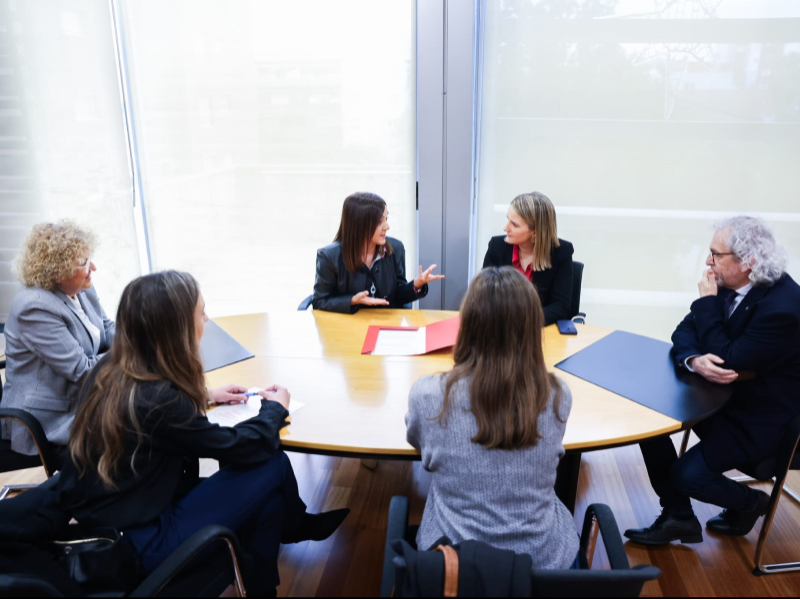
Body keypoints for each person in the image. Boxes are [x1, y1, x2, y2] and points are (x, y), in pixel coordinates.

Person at [56, 271, 349, 595]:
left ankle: (264, 586)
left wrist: (207, 395)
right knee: (272, 463)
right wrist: (275, 408)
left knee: (269, 502)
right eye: (201, 312)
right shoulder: (160, 399)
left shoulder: (112, 366)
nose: (207, 320)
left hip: (122, 514)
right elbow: (237, 447)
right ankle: (296, 527)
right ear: (177, 328)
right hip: (146, 541)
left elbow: (153, 417)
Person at [625, 216, 800, 545]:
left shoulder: (784, 307)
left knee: (687, 474)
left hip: (762, 419)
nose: (708, 261)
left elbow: (729, 359)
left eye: (715, 254)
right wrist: (694, 360)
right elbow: (684, 330)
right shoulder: (732, 282)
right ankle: (679, 517)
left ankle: (751, 503)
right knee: (648, 420)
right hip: (721, 397)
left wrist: (706, 303)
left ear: (747, 261)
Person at [405, 266, 579, 570]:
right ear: (531, 328)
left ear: (468, 324)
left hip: (455, 562)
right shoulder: (557, 395)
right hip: (541, 562)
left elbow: (418, 443)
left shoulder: (429, 395)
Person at [1, 221, 115, 461]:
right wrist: (136, 353)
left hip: (84, 397)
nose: (92, 267)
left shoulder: (81, 287)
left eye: (89, 258)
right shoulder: (34, 307)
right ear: (56, 270)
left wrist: (140, 339)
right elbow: (82, 370)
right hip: (49, 421)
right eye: (83, 262)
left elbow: (106, 329)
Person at [313, 192, 444, 313]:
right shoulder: (329, 257)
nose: (387, 226)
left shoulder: (395, 249)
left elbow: (398, 296)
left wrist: (416, 285)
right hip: (347, 327)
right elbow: (320, 302)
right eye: (379, 221)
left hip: (386, 325)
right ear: (359, 224)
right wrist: (352, 300)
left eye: (386, 218)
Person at [482, 192, 574, 326]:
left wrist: (522, 322)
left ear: (535, 232)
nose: (505, 228)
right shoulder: (497, 247)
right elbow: (484, 295)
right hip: (500, 329)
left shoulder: (561, 252)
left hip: (538, 332)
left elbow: (560, 306)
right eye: (508, 219)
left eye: (514, 224)